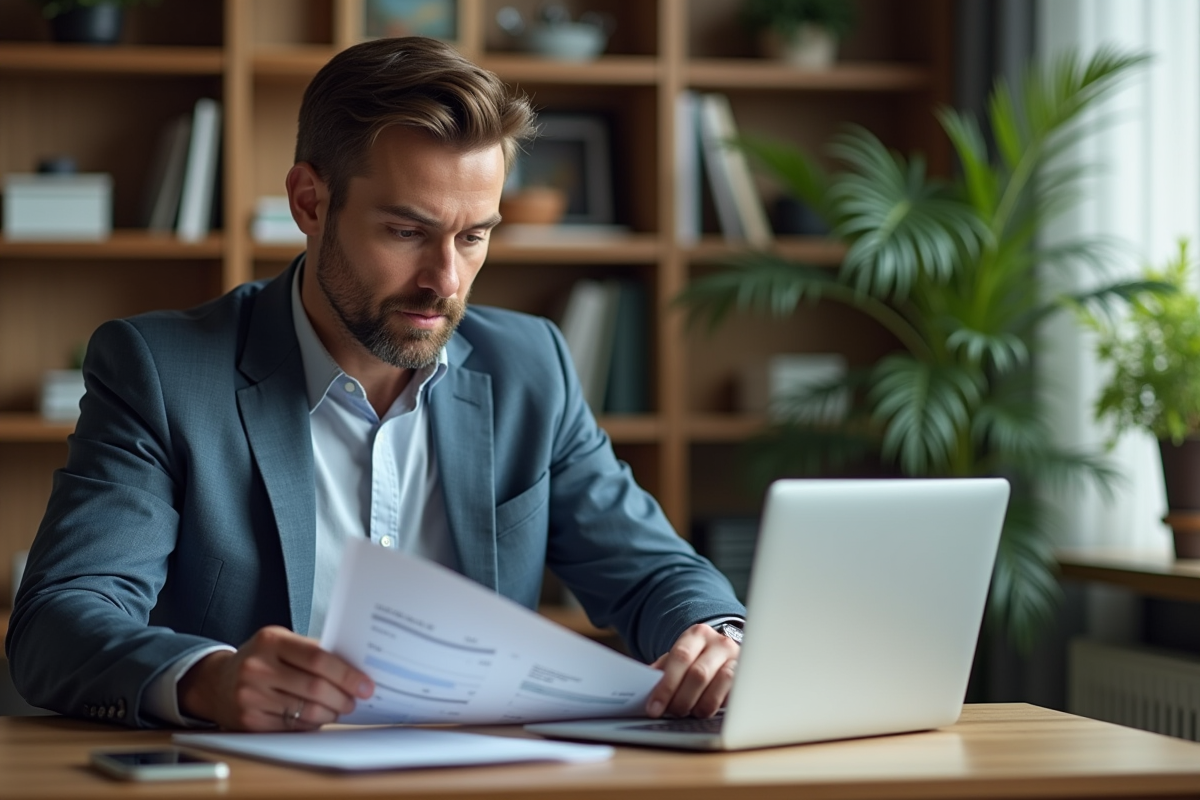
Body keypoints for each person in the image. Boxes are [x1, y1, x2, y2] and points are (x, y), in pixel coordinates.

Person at [6, 36, 745, 732]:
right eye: (406, 231)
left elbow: (653, 570)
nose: (445, 281)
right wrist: (209, 679)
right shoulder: (162, 370)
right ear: (310, 202)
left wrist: (713, 637)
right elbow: (60, 619)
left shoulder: (530, 366)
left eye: (473, 236)